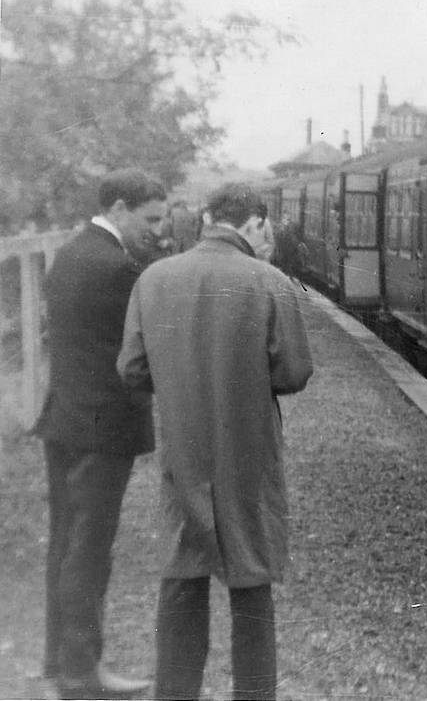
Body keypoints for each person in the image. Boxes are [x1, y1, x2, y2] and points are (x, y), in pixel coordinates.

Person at [117, 183, 313, 701]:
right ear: (253, 225)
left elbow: (132, 369)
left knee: (182, 571)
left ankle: (175, 693)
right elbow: (293, 372)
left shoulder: (154, 279)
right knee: (251, 578)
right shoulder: (270, 281)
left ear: (207, 219)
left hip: (182, 448)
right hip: (248, 451)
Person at [33, 168, 167, 699]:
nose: (156, 230)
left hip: (65, 419)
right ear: (118, 207)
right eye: (149, 218)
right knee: (89, 550)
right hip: (101, 428)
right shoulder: (118, 268)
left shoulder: (71, 252)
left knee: (66, 544)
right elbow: (141, 350)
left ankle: (59, 665)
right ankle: (79, 676)